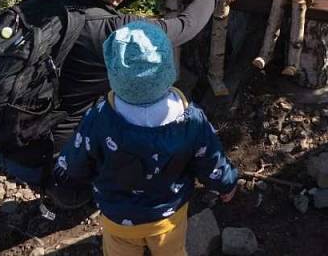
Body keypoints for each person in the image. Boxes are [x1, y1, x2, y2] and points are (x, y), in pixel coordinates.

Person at [4, 0, 236, 190]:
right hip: (54, 155)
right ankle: (73, 189)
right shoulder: (115, 33)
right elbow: (184, 27)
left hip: (12, 132)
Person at [54, 21, 238, 255]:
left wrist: (64, 177)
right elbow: (211, 159)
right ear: (168, 69)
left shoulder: (100, 117)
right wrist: (227, 182)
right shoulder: (191, 119)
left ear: (114, 74)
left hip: (117, 218)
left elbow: (76, 159)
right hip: (168, 218)